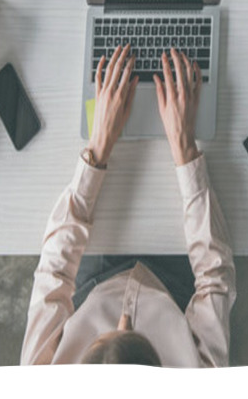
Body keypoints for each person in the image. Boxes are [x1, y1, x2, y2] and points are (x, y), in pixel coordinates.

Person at [21, 44, 236, 367]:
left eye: (102, 337)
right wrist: (184, 148)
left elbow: (54, 273)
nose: (124, 317)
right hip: (176, 290)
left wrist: (97, 150)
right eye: (134, 333)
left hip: (95, 282)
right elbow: (215, 278)